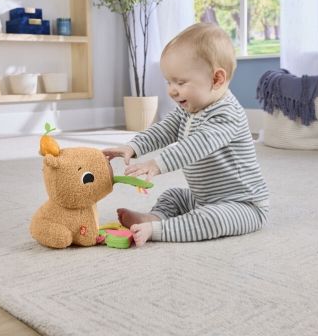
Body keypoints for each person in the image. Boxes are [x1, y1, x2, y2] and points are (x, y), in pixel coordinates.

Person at [103, 23, 269, 246]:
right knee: (173, 196)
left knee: (212, 219)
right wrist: (133, 146)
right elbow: (163, 129)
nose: (172, 90)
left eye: (180, 82)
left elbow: (197, 145)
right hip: (203, 198)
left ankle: (159, 230)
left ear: (216, 79)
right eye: (169, 82)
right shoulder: (189, 109)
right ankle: (154, 217)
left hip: (243, 205)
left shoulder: (228, 114)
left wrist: (157, 164)